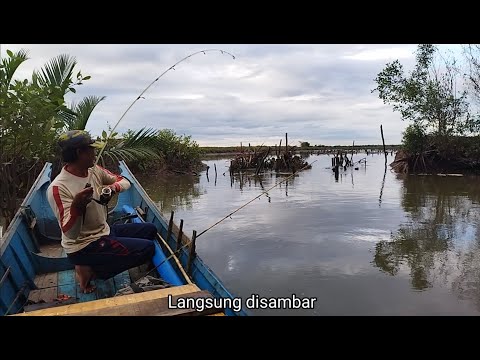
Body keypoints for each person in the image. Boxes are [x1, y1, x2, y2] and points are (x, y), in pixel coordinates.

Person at [47, 130, 156, 293]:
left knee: (150, 229)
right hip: (83, 246)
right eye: (92, 149)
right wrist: (77, 207)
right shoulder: (57, 188)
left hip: (103, 231)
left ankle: (95, 263)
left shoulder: (94, 170)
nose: (95, 153)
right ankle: (93, 270)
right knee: (148, 248)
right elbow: (70, 233)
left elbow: (124, 182)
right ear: (80, 153)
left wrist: (112, 188)